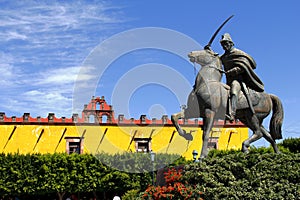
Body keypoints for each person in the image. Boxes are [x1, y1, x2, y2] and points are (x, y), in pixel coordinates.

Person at [220, 33, 264, 121]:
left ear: (231, 43)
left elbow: (247, 65)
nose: (224, 46)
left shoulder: (238, 53)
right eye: (222, 45)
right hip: (227, 81)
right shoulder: (223, 57)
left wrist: (232, 71)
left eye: (226, 44)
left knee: (234, 90)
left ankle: (232, 113)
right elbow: (214, 59)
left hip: (238, 80)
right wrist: (208, 51)